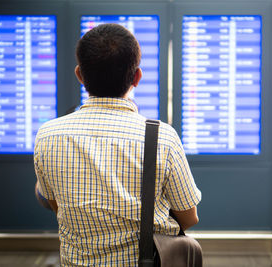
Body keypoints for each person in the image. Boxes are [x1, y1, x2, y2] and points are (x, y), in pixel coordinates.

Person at [34, 23, 201, 266]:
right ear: (137, 77)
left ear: (79, 74)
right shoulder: (162, 137)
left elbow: (57, 206)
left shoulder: (48, 135)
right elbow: (188, 217)